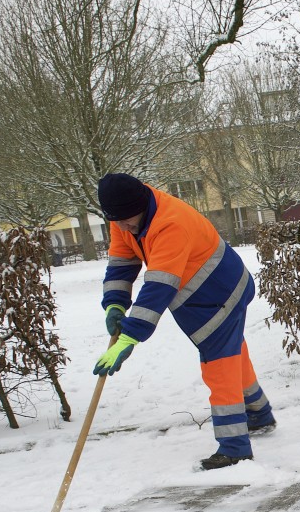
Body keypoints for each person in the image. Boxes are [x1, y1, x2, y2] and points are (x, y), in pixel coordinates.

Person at [93, 173, 276, 470]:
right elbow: (122, 262)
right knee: (233, 351)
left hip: (220, 292)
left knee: (219, 363)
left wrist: (130, 336)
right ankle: (259, 412)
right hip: (199, 294)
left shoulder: (171, 223)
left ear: (141, 205)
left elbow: (158, 287)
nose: (123, 227)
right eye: (117, 222)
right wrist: (114, 304)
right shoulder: (124, 216)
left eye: (128, 221)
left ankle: (235, 447)